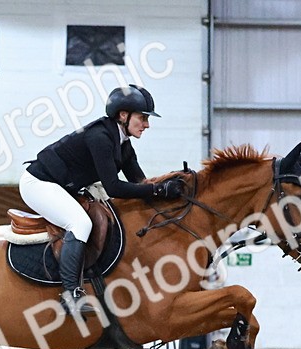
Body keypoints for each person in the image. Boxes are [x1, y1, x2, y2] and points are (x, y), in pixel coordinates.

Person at [20, 84, 183, 316]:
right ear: (123, 115)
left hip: (62, 186)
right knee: (80, 224)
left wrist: (170, 188)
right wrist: (158, 190)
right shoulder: (100, 137)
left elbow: (140, 183)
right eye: (143, 118)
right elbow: (114, 187)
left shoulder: (123, 144)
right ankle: (71, 295)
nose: (147, 125)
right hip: (38, 184)